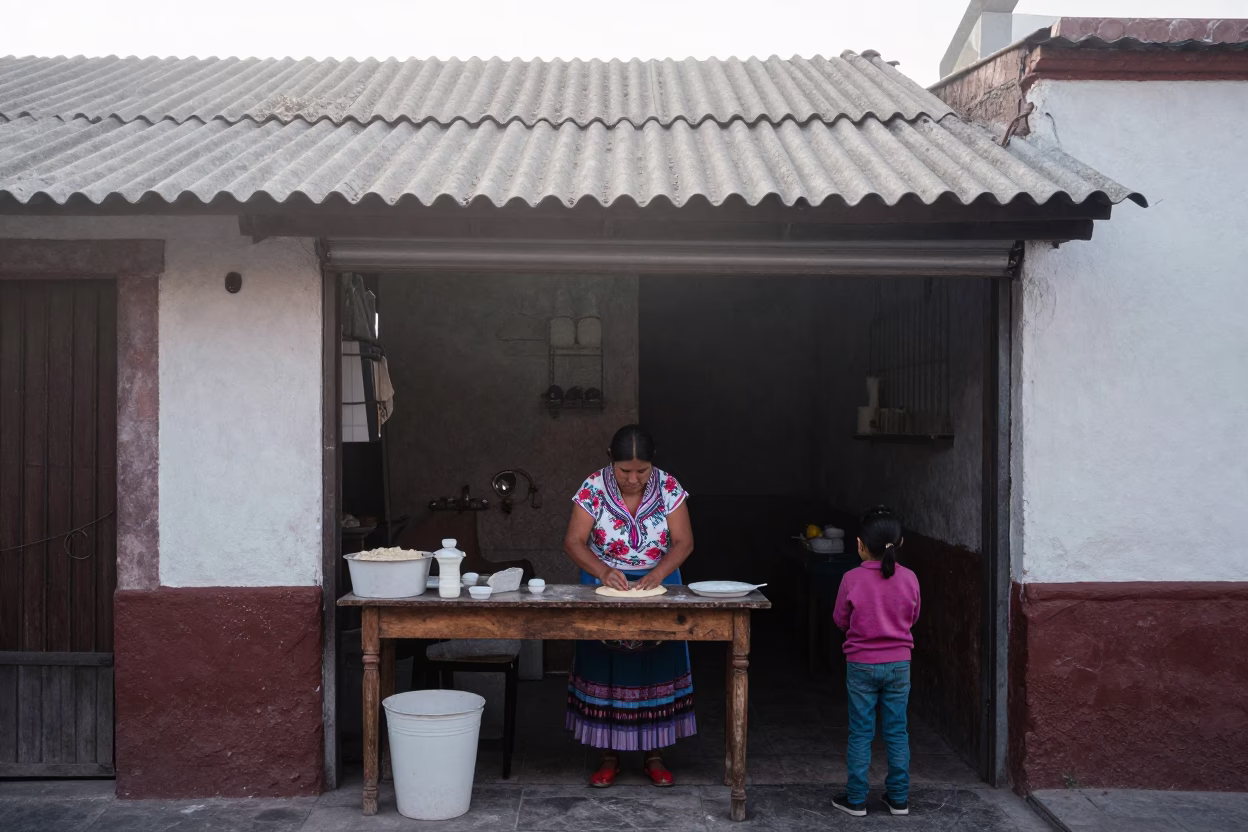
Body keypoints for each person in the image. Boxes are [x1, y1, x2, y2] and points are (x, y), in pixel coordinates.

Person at [562, 424, 696, 788]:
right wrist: (604, 570)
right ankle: (609, 755)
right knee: (608, 667)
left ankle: (655, 755)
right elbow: (574, 542)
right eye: (625, 471)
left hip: (660, 586)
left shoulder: (668, 487)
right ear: (611, 460)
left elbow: (683, 542)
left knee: (655, 666)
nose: (634, 479)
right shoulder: (593, 487)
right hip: (604, 585)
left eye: (642, 471)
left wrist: (660, 573)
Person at [831, 506, 921, 818]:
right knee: (897, 731)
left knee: (861, 732)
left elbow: (840, 619)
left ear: (859, 544)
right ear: (900, 544)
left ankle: (856, 799)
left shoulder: (851, 578)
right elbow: (913, 617)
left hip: (861, 665)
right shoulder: (910, 579)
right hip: (899, 665)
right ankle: (898, 799)